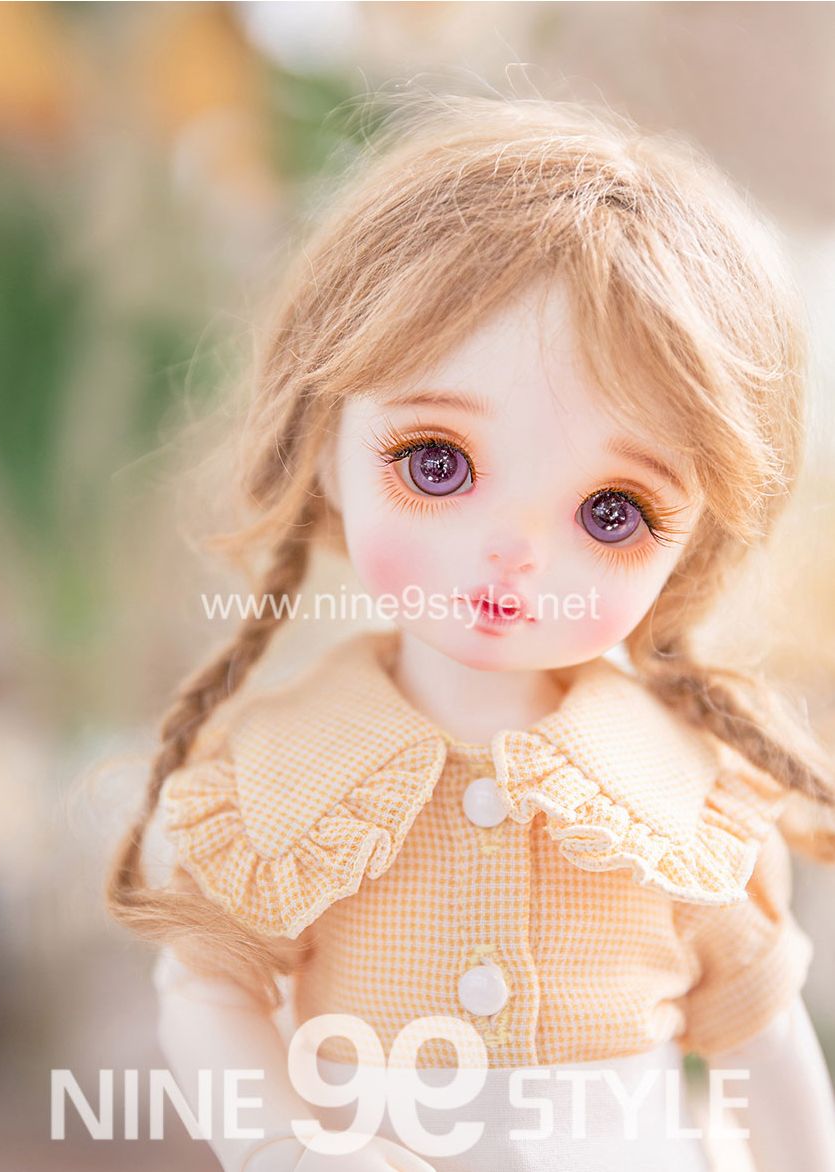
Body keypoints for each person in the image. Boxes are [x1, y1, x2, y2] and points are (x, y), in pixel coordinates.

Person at [107, 92, 835, 1170]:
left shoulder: (682, 799)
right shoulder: (278, 775)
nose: (514, 555)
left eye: (612, 512)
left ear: (691, 547)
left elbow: (760, 1037)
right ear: (322, 446)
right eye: (437, 462)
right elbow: (207, 991)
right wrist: (280, 1146)